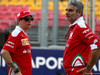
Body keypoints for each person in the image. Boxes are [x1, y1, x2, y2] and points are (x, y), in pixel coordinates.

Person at [63, 0, 100, 75]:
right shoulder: (76, 27)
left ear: (79, 12)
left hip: (78, 71)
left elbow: (97, 45)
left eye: (70, 10)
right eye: (66, 10)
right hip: (73, 71)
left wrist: (88, 68)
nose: (67, 13)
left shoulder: (80, 27)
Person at [0, 10, 36, 75]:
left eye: (31, 18)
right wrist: (16, 71)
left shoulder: (23, 34)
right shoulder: (16, 33)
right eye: (27, 19)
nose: (30, 21)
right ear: (19, 21)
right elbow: (4, 52)